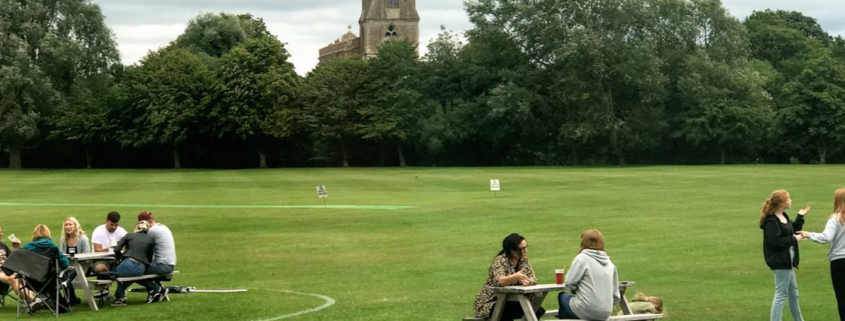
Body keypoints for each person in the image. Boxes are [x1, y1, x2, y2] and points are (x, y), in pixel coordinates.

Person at [760, 189, 809, 321]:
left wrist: (800, 217)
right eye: (788, 199)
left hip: (788, 262)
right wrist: (794, 239)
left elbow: (792, 230)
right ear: (782, 203)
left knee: (794, 295)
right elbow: (775, 243)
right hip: (780, 262)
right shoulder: (771, 222)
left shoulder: (784, 216)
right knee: (781, 295)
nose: (791, 200)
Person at [473, 233, 545, 320]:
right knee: (505, 312)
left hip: (511, 301)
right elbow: (499, 281)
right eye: (522, 249)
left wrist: (528, 281)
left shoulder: (523, 260)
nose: (525, 251)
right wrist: (515, 277)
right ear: (512, 251)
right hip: (491, 302)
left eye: (526, 247)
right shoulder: (500, 261)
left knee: (536, 310)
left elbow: (533, 278)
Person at [801, 188, 845, 321]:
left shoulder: (835, 218)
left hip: (839, 260)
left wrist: (809, 234)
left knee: (842, 296)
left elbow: (827, 237)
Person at [557, 229, 620, 320]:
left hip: (586, 308)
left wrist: (576, 292)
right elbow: (616, 296)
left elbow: (569, 283)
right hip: (605, 313)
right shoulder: (610, 264)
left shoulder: (582, 259)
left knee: (562, 297)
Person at [22, 224, 71, 312]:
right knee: (62, 276)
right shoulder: (52, 247)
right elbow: (65, 264)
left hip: (32, 281)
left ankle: (49, 302)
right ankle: (65, 303)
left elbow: (23, 265)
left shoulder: (27, 248)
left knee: (50, 280)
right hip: (51, 281)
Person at [110, 221, 155, 307]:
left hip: (128, 264)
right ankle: (156, 288)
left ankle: (121, 298)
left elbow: (116, 249)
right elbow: (149, 258)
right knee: (130, 275)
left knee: (115, 271)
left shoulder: (129, 236)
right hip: (141, 268)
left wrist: (121, 257)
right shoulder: (150, 239)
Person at [137, 211, 176, 303]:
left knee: (134, 271)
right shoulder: (163, 227)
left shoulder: (152, 231)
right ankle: (156, 290)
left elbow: (141, 246)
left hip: (162, 265)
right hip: (170, 263)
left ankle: (156, 289)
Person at [90, 211, 127, 299]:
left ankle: (120, 293)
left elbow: (127, 248)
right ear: (106, 221)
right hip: (101, 259)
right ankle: (104, 289)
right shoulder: (98, 231)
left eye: (116, 225)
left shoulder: (122, 232)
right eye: (111, 225)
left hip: (116, 259)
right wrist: (112, 248)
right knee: (101, 268)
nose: (114, 227)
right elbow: (97, 249)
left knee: (125, 268)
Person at [0, 224, 25, 302]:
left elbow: (14, 259)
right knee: (13, 279)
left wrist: (16, 248)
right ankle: (33, 300)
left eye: (1, 232)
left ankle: (31, 301)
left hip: (7, 270)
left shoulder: (2, 245)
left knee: (24, 277)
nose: (2, 234)